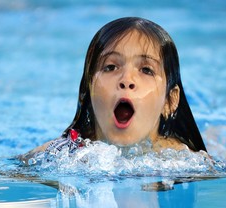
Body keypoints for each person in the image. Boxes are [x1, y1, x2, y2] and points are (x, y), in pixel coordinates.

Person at [20, 17, 207, 164]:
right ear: (88, 90)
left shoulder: (184, 161)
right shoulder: (62, 154)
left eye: (146, 70)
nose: (126, 80)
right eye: (110, 67)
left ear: (169, 101)